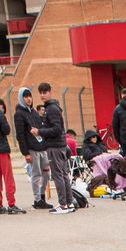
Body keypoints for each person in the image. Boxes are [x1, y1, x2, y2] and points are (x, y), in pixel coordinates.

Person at [35, 82, 76, 215]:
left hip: (55, 146)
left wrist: (40, 132)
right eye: (40, 93)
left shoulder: (51, 109)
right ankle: (69, 203)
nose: (42, 95)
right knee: (63, 175)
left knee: (58, 175)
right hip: (60, 145)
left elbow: (57, 129)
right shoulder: (54, 107)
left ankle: (63, 205)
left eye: (45, 92)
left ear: (50, 92)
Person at [14, 87, 47, 210]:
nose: (28, 99)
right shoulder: (19, 114)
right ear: (21, 98)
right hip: (32, 149)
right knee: (36, 174)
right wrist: (26, 153)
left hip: (42, 147)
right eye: (25, 96)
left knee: (46, 173)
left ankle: (42, 196)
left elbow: (41, 129)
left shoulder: (34, 112)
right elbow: (20, 135)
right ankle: (37, 200)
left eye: (30, 96)